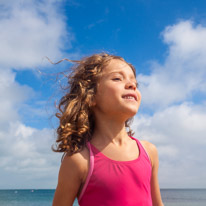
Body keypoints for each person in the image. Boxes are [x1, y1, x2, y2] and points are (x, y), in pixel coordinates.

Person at [52, 53, 164, 206]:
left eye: (135, 83)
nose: (132, 85)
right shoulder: (79, 160)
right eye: (118, 78)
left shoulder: (149, 152)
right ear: (90, 96)